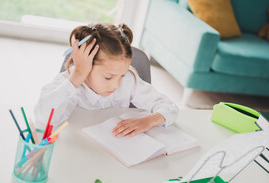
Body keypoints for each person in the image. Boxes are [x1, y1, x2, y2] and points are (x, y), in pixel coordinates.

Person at [34, 23, 178, 138]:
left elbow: (170, 108)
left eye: (121, 75)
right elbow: (43, 118)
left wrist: (148, 120)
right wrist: (77, 76)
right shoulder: (71, 81)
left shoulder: (129, 80)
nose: (116, 85)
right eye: (108, 77)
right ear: (87, 65)